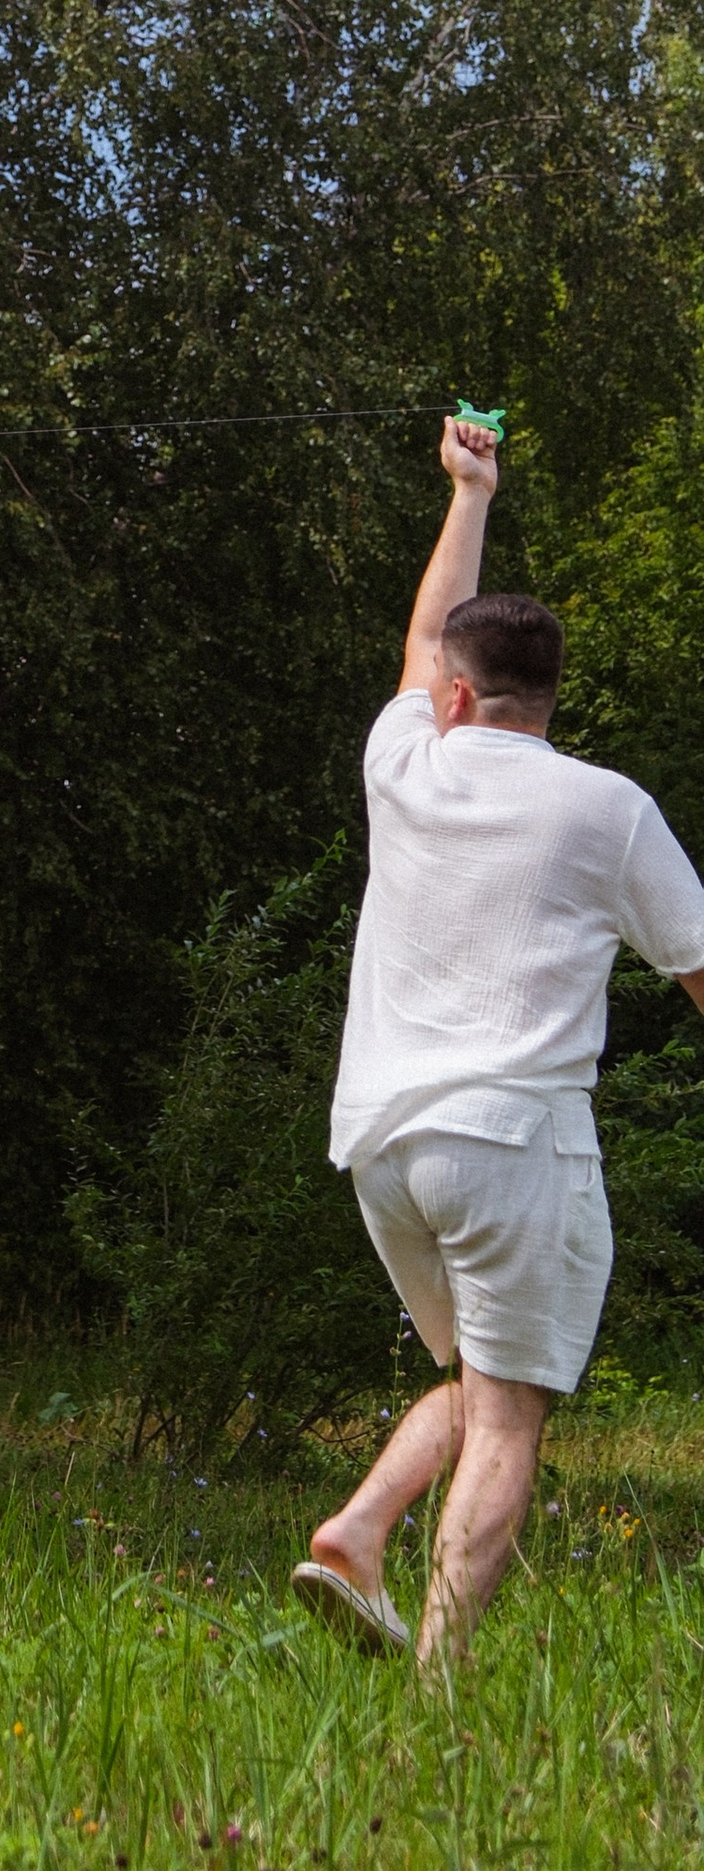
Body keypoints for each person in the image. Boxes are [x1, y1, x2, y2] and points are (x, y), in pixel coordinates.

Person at [292, 413, 704, 1666]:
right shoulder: (607, 809)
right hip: (512, 1144)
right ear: (547, 695)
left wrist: (467, 493)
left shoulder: (402, 762)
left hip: (382, 1147)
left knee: (481, 1381)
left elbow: (425, 635)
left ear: (456, 695)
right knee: (513, 1413)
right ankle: (438, 1693)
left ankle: (356, 1532)